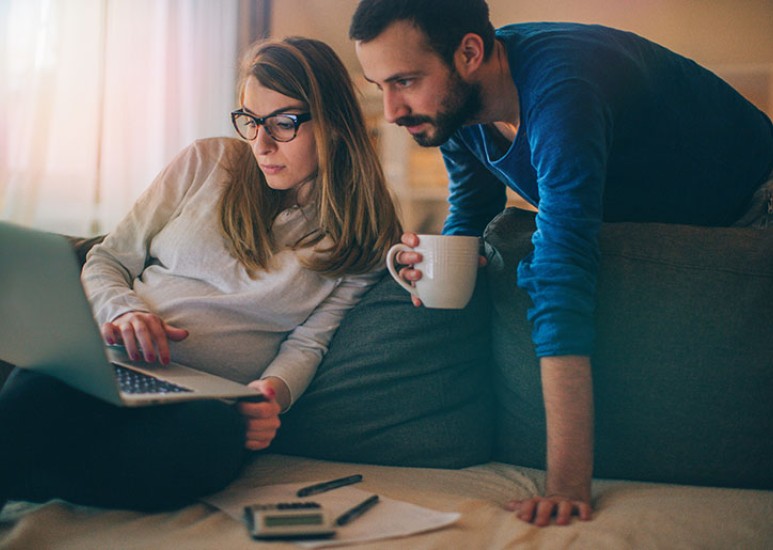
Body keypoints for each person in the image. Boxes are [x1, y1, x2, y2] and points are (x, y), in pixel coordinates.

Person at [349, 0, 773, 527]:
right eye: (379, 86)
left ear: (470, 53)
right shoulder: (454, 114)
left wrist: (567, 484)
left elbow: (562, 271)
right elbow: (475, 207)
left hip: (756, 207)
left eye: (405, 81)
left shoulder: (562, 88)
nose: (391, 110)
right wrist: (443, 267)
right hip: (660, 224)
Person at [0, 36, 402, 512]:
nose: (261, 144)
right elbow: (109, 259)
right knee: (41, 388)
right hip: (112, 365)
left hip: (200, 404)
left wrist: (273, 394)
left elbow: (309, 341)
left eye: (284, 123)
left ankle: (29, 475)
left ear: (334, 121)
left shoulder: (364, 237)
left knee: (211, 446)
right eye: (250, 122)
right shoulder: (206, 163)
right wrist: (124, 310)